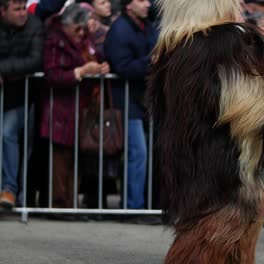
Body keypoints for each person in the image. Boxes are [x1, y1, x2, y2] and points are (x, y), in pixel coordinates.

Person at [146, 0, 264, 263]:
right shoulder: (228, 42)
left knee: (206, 227)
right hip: (228, 162)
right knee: (219, 232)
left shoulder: (174, 50)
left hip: (192, 158)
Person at [40, 3, 109, 208]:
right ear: (67, 24)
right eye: (77, 29)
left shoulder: (81, 40)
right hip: (60, 108)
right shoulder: (55, 40)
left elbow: (94, 55)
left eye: (83, 29)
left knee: (75, 159)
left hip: (79, 107)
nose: (81, 33)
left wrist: (101, 66)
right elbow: (52, 74)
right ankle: (58, 204)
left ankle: (71, 203)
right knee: (60, 159)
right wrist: (80, 72)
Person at [104, 0, 157, 209]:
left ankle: (141, 203)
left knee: (144, 152)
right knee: (138, 152)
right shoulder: (120, 30)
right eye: (141, 0)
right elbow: (121, 66)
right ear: (128, 5)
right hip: (126, 100)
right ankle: (133, 205)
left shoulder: (147, 25)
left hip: (143, 99)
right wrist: (152, 62)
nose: (147, 4)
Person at [0, 0, 43, 210]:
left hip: (21, 98)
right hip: (6, 93)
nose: (22, 13)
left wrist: (3, 70)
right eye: (16, 9)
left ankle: (9, 189)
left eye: (23, 8)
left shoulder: (34, 25)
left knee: (7, 134)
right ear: (3, 11)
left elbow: (35, 60)